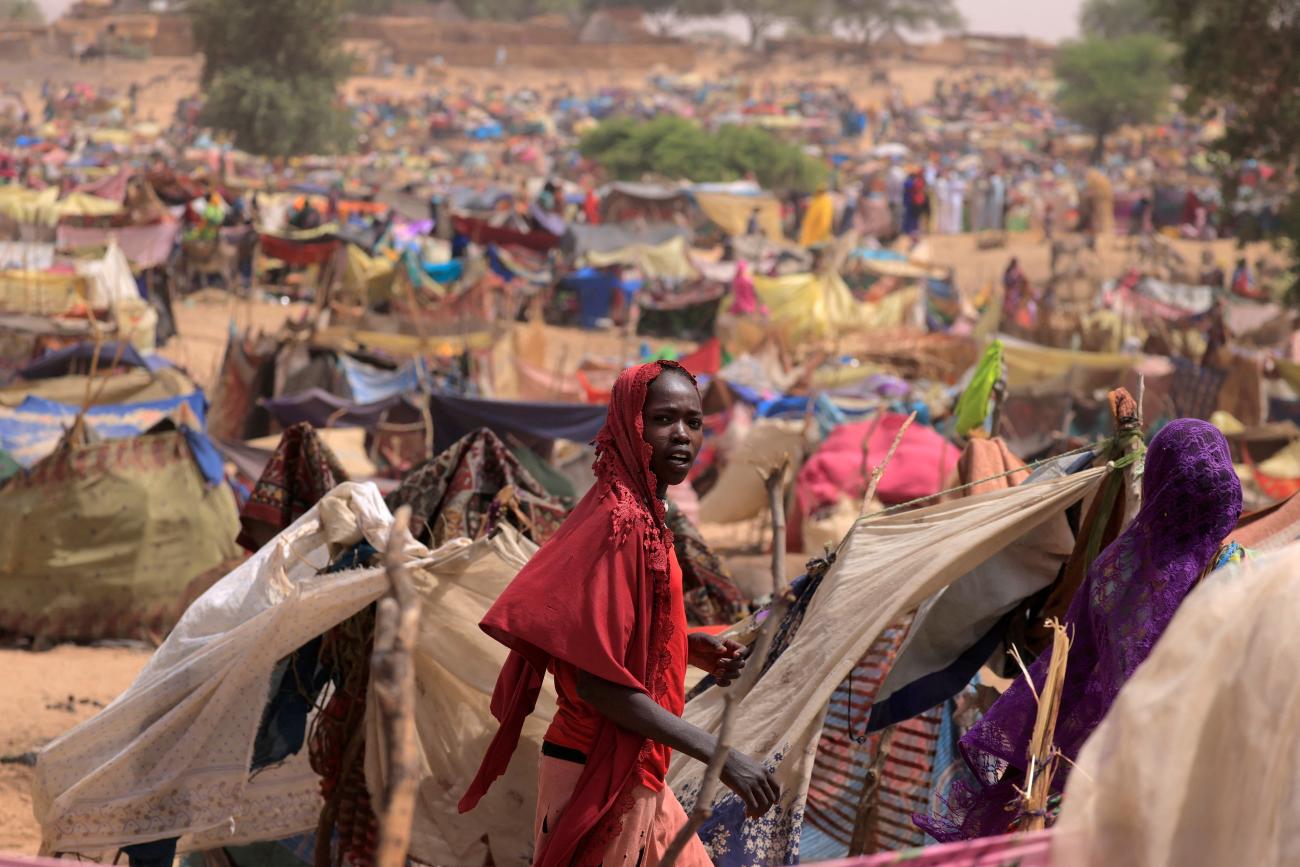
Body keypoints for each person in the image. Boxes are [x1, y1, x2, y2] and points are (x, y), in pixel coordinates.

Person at [460, 361, 780, 867]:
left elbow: (613, 633)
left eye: (693, 423)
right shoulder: (621, 522)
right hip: (596, 766)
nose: (682, 435)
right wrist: (722, 757)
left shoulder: (644, 514)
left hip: (631, 762)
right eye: (663, 420)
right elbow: (598, 683)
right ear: (631, 424)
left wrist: (682, 644)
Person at [918, 418, 1243, 841]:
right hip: (1185, 785)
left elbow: (1076, 663)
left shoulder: (1119, 567)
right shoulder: (1235, 573)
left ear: (1160, 482)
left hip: (1092, 776)